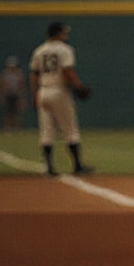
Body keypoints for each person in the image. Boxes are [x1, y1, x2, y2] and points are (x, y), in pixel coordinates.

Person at [30, 22, 94, 176]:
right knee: (70, 129)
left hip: (43, 91)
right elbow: (67, 71)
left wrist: (35, 94)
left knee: (46, 131)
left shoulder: (39, 50)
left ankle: (49, 168)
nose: (65, 35)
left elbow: (34, 74)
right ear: (57, 34)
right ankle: (77, 166)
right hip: (59, 91)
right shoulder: (65, 50)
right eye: (63, 32)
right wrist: (79, 87)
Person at [0, 57, 26, 131]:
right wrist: (2, 95)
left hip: (16, 95)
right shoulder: (4, 74)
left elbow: (21, 85)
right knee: (8, 113)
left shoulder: (19, 74)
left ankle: (17, 128)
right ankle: (7, 128)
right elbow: (1, 85)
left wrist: (21, 97)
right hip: (8, 95)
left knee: (17, 113)